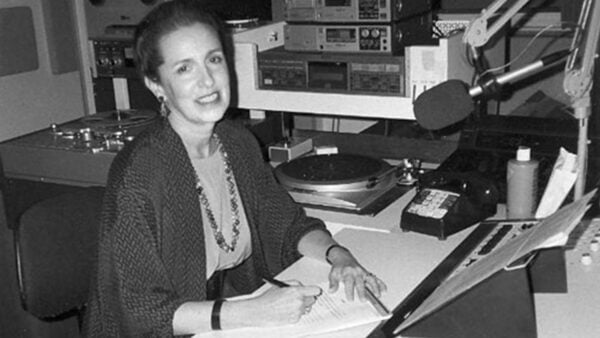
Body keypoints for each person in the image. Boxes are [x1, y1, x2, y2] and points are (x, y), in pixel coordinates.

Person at [83, 0, 386, 336]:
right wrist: (249, 313)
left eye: (214, 60)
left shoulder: (236, 141)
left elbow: (285, 224)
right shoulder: (139, 175)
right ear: (156, 84)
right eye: (185, 68)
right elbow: (138, 311)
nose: (208, 80)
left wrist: (338, 256)